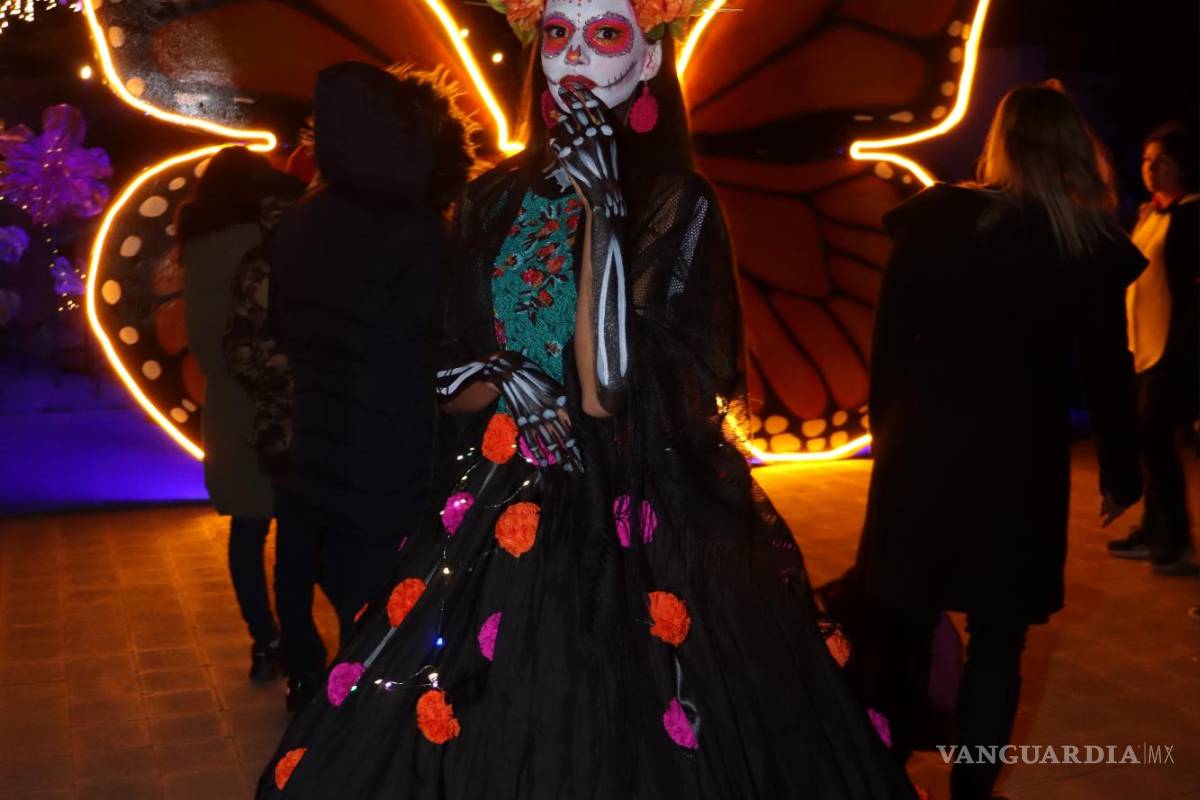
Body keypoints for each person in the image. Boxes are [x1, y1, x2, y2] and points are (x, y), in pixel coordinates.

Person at [256, 2, 916, 798]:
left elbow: (608, 394)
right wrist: (508, 375)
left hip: (641, 519)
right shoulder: (492, 199)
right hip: (495, 511)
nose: (573, 59)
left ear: (646, 64)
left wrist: (605, 207)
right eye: (558, 35)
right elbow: (442, 372)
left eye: (604, 35)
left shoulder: (677, 201)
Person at [844, 83, 1145, 800]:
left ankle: (881, 777)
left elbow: (889, 346)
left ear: (1000, 140)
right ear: (1075, 146)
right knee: (998, 643)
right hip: (1020, 462)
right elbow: (1108, 369)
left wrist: (888, 435)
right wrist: (1122, 471)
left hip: (924, 452)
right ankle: (970, 793)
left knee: (903, 629)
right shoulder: (1087, 241)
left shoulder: (937, 219)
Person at [266, 62, 477, 712]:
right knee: (399, 625)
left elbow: (281, 326)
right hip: (395, 455)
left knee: (352, 606)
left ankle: (340, 713)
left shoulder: (299, 222)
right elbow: (444, 344)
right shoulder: (413, 231)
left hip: (319, 445)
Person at [177, 147, 303, 681]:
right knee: (300, 529)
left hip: (226, 407)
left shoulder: (195, 248)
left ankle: (263, 638)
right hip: (282, 399)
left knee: (248, 531)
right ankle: (302, 642)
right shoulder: (267, 244)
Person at [1107, 123, 1199, 576]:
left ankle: (1175, 537)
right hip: (1141, 344)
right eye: (1146, 160)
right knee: (1147, 442)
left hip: (1172, 348)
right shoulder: (1153, 213)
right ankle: (1154, 527)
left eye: (1160, 161)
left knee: (1154, 440)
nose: (1150, 169)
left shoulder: (1192, 216)